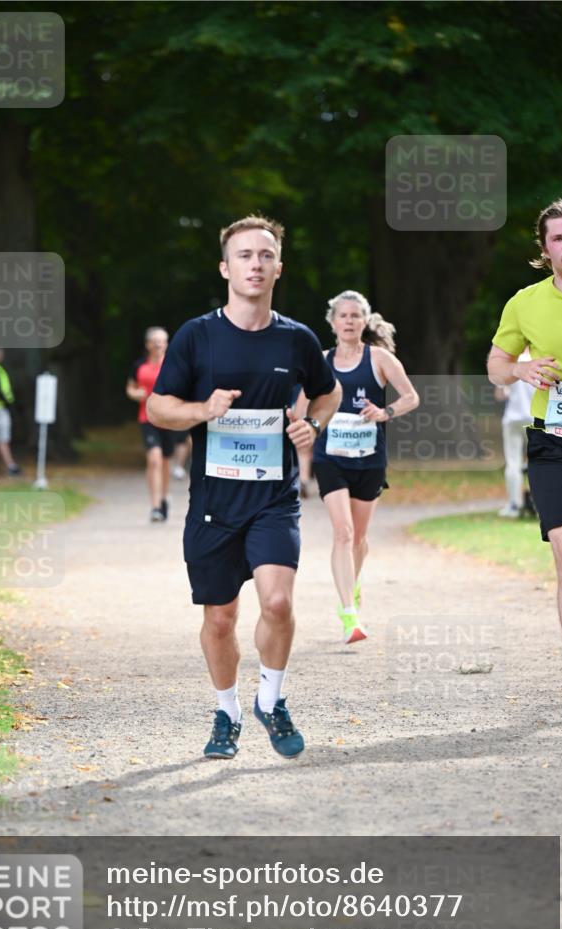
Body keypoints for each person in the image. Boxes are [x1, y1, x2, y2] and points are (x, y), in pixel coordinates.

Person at [147, 215, 341, 760]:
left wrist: (314, 424)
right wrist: (201, 410)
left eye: (265, 255)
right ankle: (227, 711)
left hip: (273, 498)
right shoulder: (197, 335)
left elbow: (328, 393)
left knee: (277, 602)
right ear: (225, 267)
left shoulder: (297, 338)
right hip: (213, 502)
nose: (255, 264)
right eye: (244, 255)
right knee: (221, 617)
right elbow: (158, 407)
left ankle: (271, 701)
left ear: (279, 266)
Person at [487, 198, 562, 722]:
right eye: (559, 238)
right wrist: (521, 372)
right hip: (557, 442)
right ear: (544, 250)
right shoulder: (524, 303)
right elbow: (497, 364)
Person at [295, 290, 419, 643]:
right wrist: (307, 424)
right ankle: (349, 614)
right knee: (343, 533)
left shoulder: (379, 358)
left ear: (364, 322)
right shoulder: (321, 360)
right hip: (330, 457)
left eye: (355, 316)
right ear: (332, 322)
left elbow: (411, 396)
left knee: (360, 539)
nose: (349, 321)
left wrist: (385, 412)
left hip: (370, 458)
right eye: (343, 316)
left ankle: (353, 582)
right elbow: (301, 407)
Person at [126, 326, 175, 522]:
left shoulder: (173, 365)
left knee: (165, 462)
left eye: (161, 340)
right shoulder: (139, 366)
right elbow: (130, 388)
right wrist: (135, 394)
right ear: (147, 345)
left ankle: (163, 498)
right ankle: (154, 506)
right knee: (154, 459)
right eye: (154, 340)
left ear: (166, 344)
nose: (157, 344)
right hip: (147, 419)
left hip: (169, 418)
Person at [494, 351, 535, 518]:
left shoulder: (510, 362)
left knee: (513, 463)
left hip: (513, 419)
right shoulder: (538, 360)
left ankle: (514, 504)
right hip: (535, 419)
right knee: (539, 461)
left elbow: (500, 394)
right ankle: (539, 503)